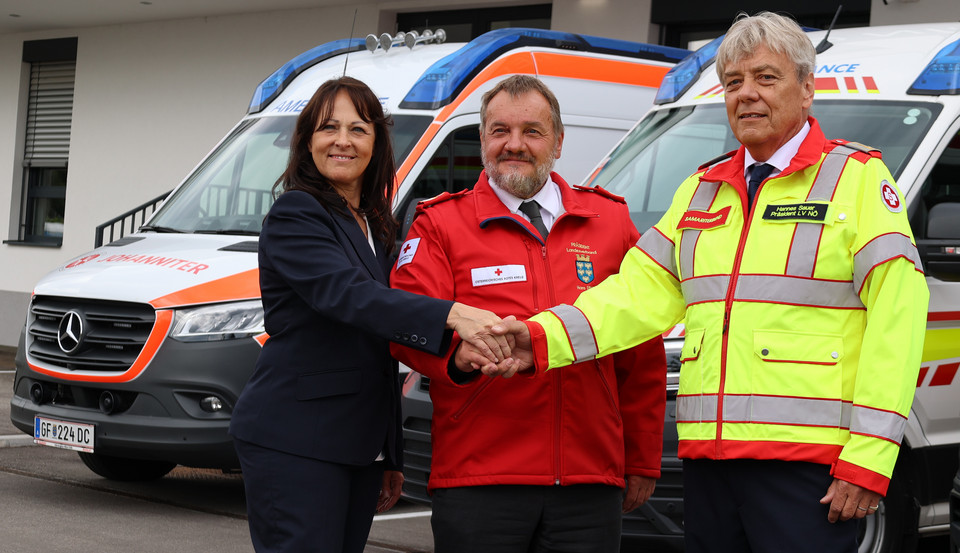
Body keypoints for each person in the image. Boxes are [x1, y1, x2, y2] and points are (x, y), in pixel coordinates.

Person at [491, 12, 930, 553]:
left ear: (808, 88)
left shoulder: (857, 181)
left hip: (809, 469)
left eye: (765, 78)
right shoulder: (700, 191)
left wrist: (870, 455)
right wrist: (537, 338)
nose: (746, 95)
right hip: (709, 463)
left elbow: (899, 318)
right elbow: (632, 296)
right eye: (733, 82)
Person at [228, 76, 510, 553]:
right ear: (307, 141)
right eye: (328, 128)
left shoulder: (375, 223)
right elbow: (349, 296)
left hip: (356, 445)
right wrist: (454, 314)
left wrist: (388, 453)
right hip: (296, 440)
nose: (342, 141)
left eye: (358, 129)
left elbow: (380, 348)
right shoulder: (296, 214)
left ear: (377, 142)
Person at [389, 75, 667, 553]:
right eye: (499, 131)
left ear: (558, 142)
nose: (513, 145)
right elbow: (406, 324)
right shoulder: (440, 223)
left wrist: (641, 457)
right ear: (482, 141)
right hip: (480, 476)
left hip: (587, 479)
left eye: (532, 132)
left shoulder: (609, 221)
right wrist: (458, 357)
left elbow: (641, 349)